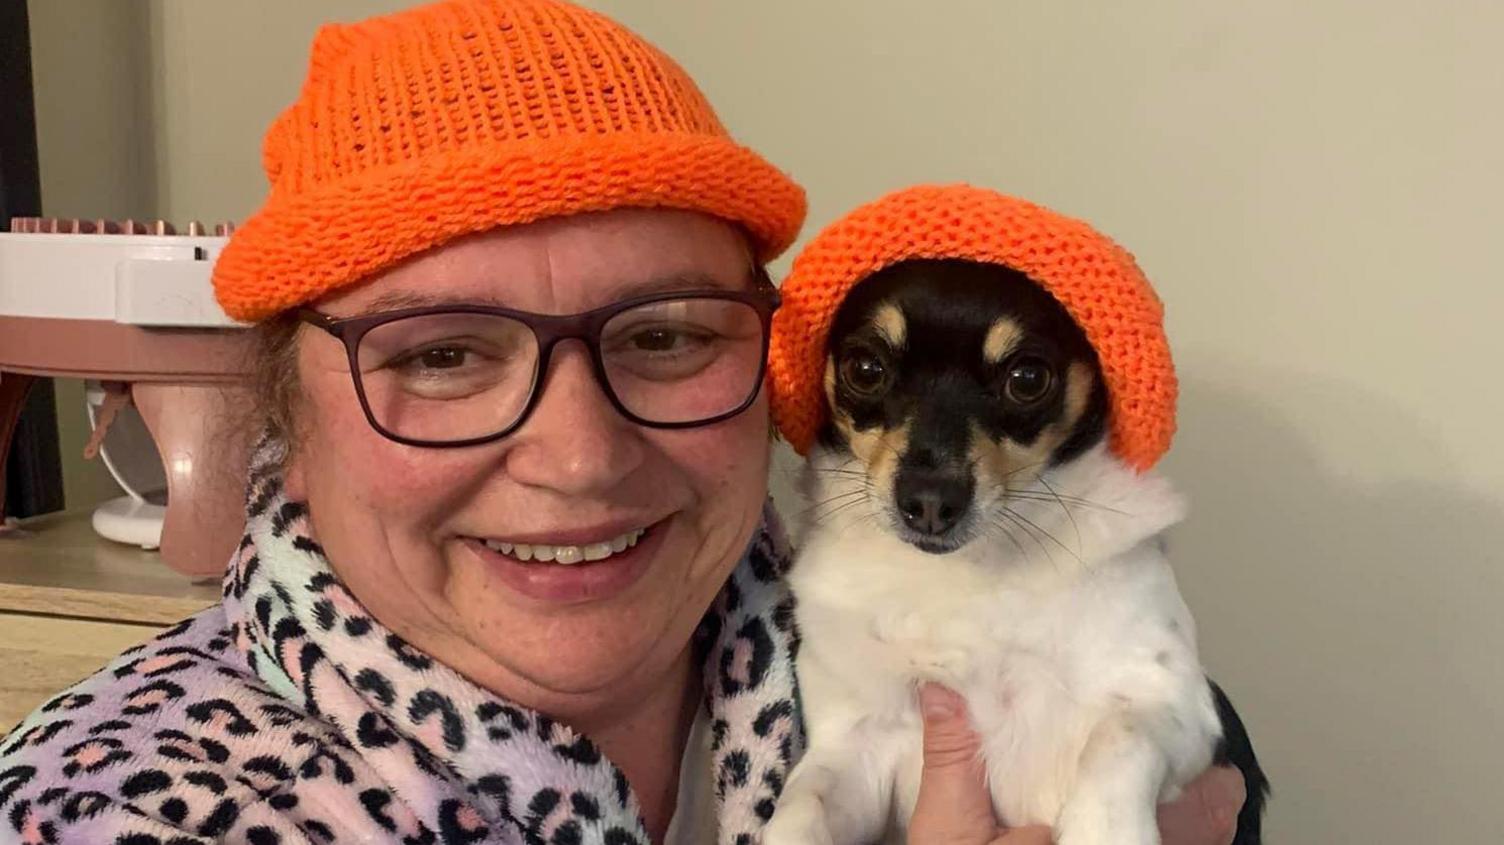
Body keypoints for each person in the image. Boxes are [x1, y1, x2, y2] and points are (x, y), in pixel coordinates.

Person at [0, 1, 1246, 843]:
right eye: (440, 354)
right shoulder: (119, 809)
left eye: (663, 336)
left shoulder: (894, 626)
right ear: (287, 410)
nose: (582, 456)